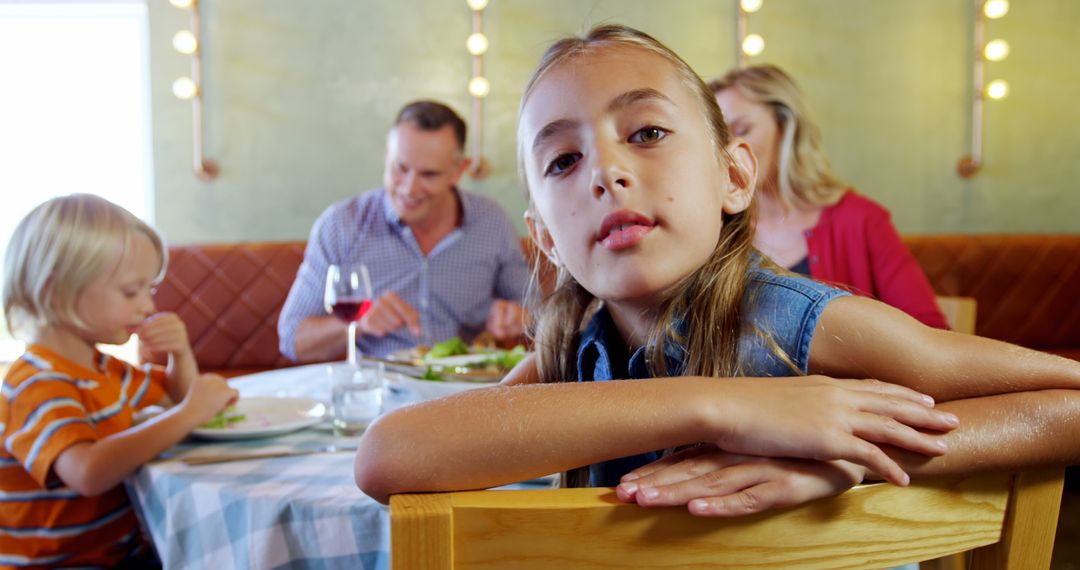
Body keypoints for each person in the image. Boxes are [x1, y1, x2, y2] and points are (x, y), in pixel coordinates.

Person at [353, 24, 1080, 516]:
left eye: (647, 133)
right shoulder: (576, 343)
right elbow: (388, 458)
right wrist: (719, 406)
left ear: (734, 177)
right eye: (564, 160)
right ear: (543, 237)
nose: (605, 171)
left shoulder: (800, 321)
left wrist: (849, 459)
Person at [0, 194, 237, 566]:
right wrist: (189, 413)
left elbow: (176, 396)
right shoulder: (34, 384)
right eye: (131, 291)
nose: (148, 306)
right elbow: (87, 472)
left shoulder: (103, 368)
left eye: (150, 289)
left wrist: (180, 354)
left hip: (121, 553)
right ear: (55, 290)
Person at [278, 100, 531, 362]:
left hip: (462, 389)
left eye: (429, 175)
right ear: (387, 157)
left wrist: (517, 317)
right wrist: (359, 324)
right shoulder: (341, 224)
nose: (409, 188)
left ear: (459, 171)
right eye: (400, 168)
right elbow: (292, 340)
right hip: (381, 391)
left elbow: (537, 311)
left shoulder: (491, 221)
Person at [709, 65, 948, 329]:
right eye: (720, 137)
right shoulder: (712, 227)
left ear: (788, 129)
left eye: (742, 130)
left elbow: (931, 332)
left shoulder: (862, 220)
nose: (729, 150)